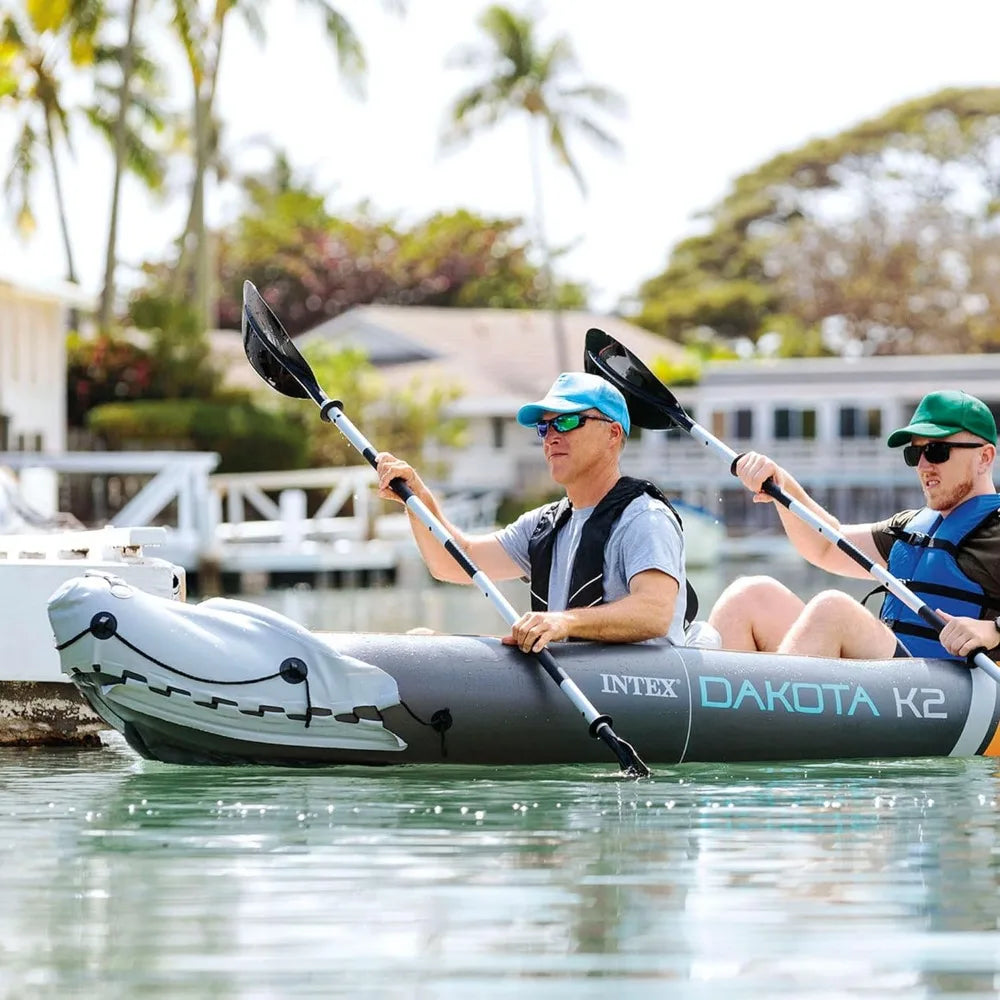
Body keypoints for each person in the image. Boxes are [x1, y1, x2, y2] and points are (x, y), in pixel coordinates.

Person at [375, 372, 691, 653]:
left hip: (642, 689)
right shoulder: (543, 525)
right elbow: (453, 562)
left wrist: (563, 623)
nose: (552, 436)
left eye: (568, 421)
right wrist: (418, 501)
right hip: (572, 680)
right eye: (545, 426)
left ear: (613, 434)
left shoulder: (645, 517)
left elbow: (654, 612)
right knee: (424, 641)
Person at [708, 390, 1000, 661]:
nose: (923, 466)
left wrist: (993, 631)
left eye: (937, 451)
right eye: (914, 454)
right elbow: (825, 545)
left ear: (984, 458)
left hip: (951, 695)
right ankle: (724, 713)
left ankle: (770, 710)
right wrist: (780, 483)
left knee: (834, 610)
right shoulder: (909, 527)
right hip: (894, 683)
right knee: (749, 595)